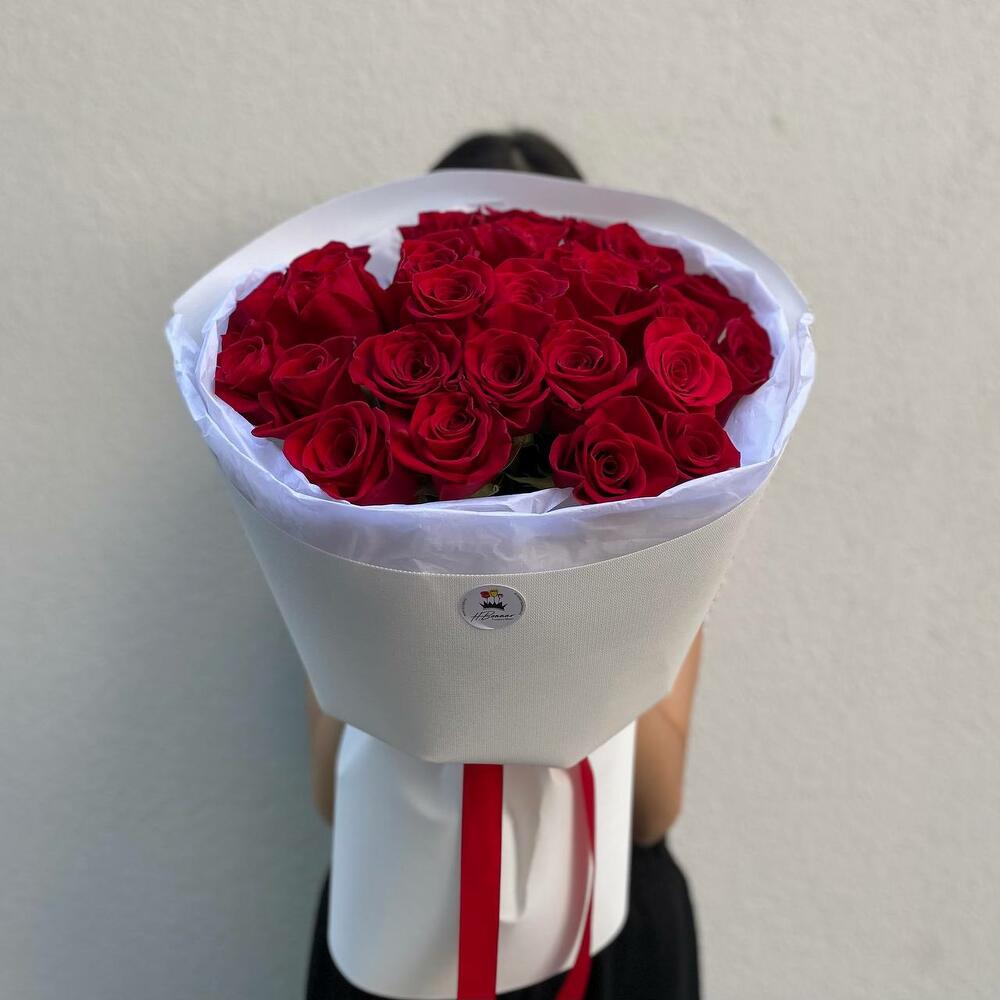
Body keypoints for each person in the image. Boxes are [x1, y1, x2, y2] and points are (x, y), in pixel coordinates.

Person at [305, 132, 701, 1000]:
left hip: (600, 908)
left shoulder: (666, 508)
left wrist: (590, 582)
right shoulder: (335, 515)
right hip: (403, 904)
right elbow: (331, 790)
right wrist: (401, 586)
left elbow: (654, 806)